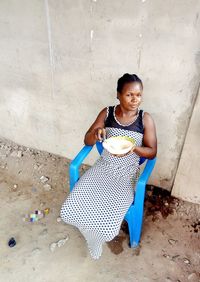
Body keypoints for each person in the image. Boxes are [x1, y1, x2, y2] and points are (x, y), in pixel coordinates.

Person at [60, 73, 157, 259]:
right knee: (68, 210)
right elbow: (87, 140)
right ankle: (90, 235)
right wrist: (96, 132)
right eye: (129, 95)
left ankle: (95, 240)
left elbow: (152, 152)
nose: (135, 99)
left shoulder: (145, 119)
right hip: (103, 167)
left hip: (128, 174)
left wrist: (135, 149)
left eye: (139, 95)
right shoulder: (107, 113)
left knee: (106, 226)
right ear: (118, 95)